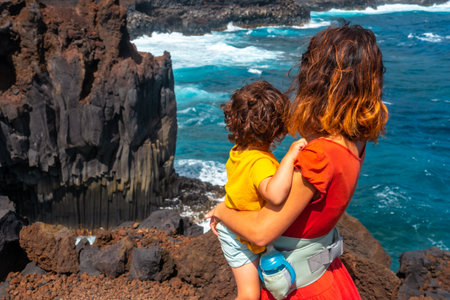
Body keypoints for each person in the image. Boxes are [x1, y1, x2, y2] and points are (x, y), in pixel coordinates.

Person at [206, 23, 389, 300]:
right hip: (327, 276)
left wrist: (221, 212)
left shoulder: (319, 155)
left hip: (299, 289)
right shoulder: (355, 141)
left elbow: (260, 232)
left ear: (320, 80)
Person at [217, 80, 307, 300]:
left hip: (233, 231)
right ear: (278, 129)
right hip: (241, 235)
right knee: (249, 295)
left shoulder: (240, 151)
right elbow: (275, 195)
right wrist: (289, 157)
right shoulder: (260, 163)